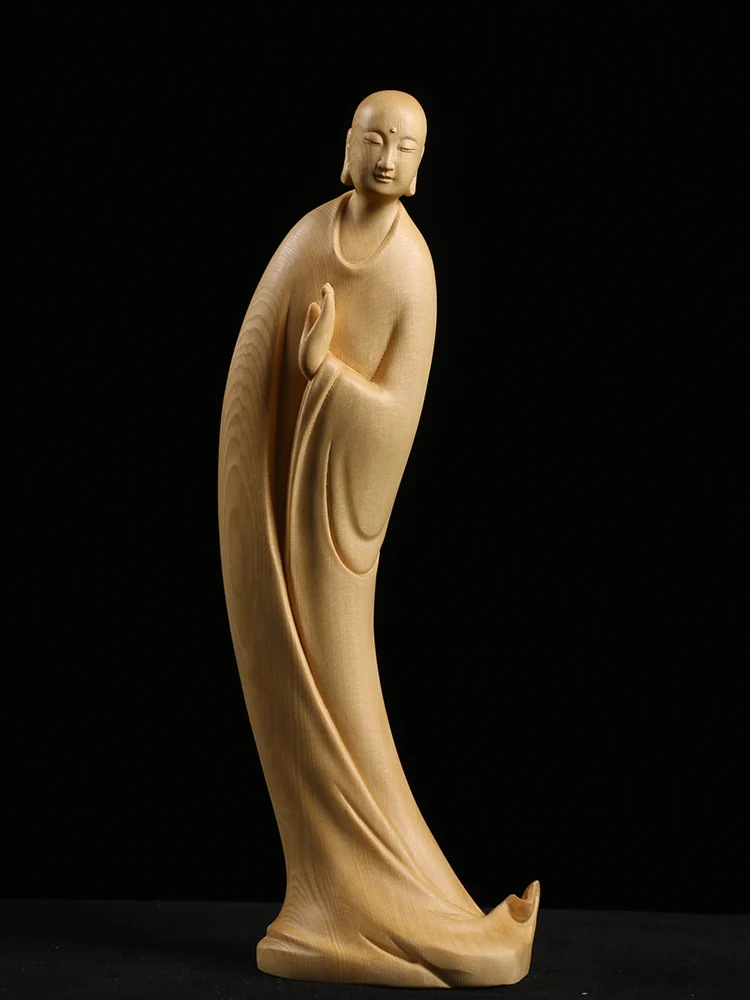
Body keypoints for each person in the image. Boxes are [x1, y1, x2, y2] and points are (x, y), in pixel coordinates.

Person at [218, 90, 539, 988]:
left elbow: (397, 414)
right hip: (278, 507)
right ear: (349, 147)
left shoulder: (411, 270)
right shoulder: (307, 241)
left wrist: (324, 374)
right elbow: (250, 368)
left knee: (342, 698)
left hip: (335, 524)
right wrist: (252, 457)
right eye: (375, 138)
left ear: (421, 165)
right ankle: (319, 898)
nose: (389, 157)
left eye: (407, 145)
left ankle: (393, 904)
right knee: (286, 688)